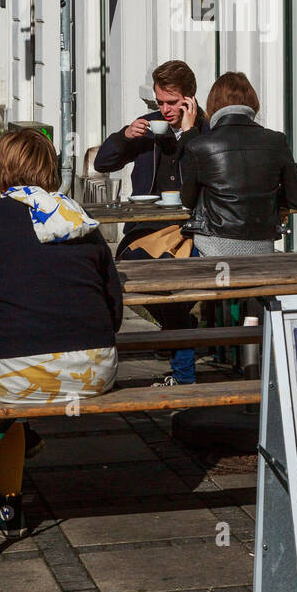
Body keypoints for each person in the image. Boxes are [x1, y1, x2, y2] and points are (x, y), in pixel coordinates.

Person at [0, 128, 122, 539]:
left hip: (20, 374)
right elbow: (113, 307)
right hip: (96, 370)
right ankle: (1, 450)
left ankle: (6, 500)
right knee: (8, 349)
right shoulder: (79, 218)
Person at [95, 59, 210, 387]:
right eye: (160, 102)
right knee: (140, 276)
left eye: (172, 102)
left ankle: (183, 370)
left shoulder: (206, 131)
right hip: (147, 231)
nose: (165, 109)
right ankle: (181, 343)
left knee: (173, 286)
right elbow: (104, 162)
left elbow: (206, 174)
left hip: (193, 229)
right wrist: (125, 137)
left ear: (189, 99)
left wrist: (189, 134)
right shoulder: (147, 128)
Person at [180, 71, 297, 256]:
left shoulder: (200, 146)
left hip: (214, 250)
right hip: (262, 248)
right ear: (253, 104)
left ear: (212, 105)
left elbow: (188, 200)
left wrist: (189, 135)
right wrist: (266, 195)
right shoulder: (276, 141)